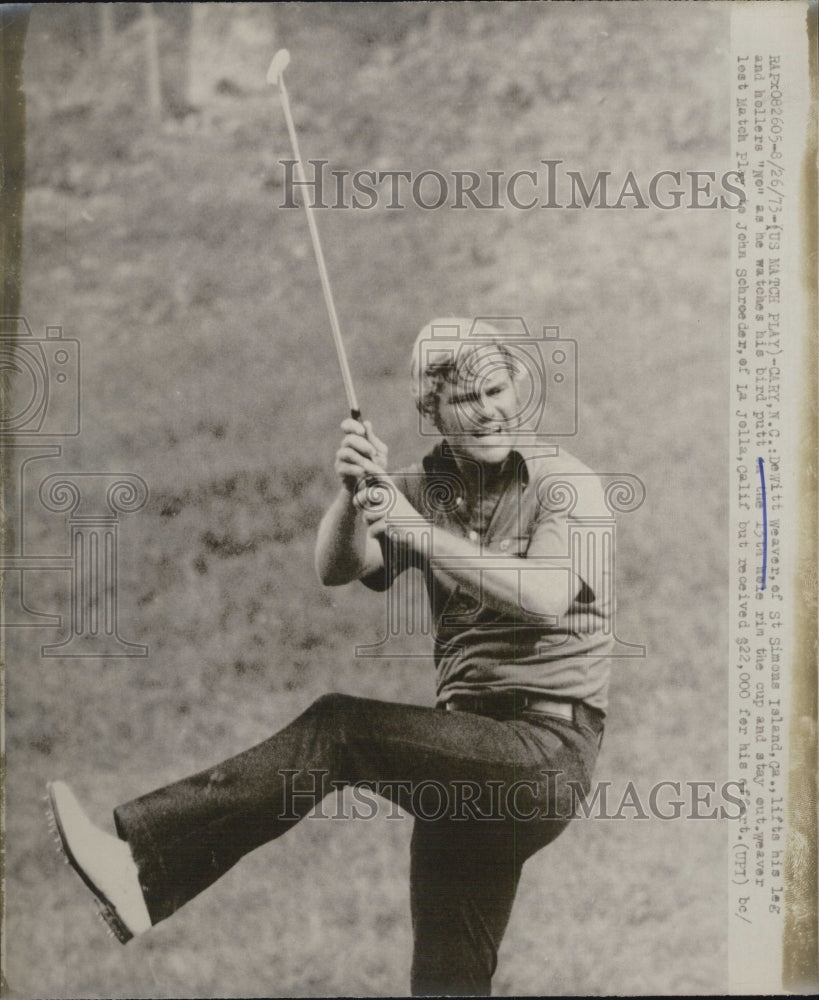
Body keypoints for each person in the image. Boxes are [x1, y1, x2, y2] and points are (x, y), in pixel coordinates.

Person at [48, 317, 614, 997]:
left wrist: (415, 533)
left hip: (542, 752)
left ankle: (141, 862)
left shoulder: (567, 484)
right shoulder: (418, 486)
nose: (489, 409)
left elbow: (547, 595)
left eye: (497, 389)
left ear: (516, 388)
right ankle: (140, 880)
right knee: (445, 978)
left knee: (338, 730)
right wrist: (352, 494)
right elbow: (338, 567)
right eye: (467, 399)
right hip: (461, 756)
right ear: (429, 411)